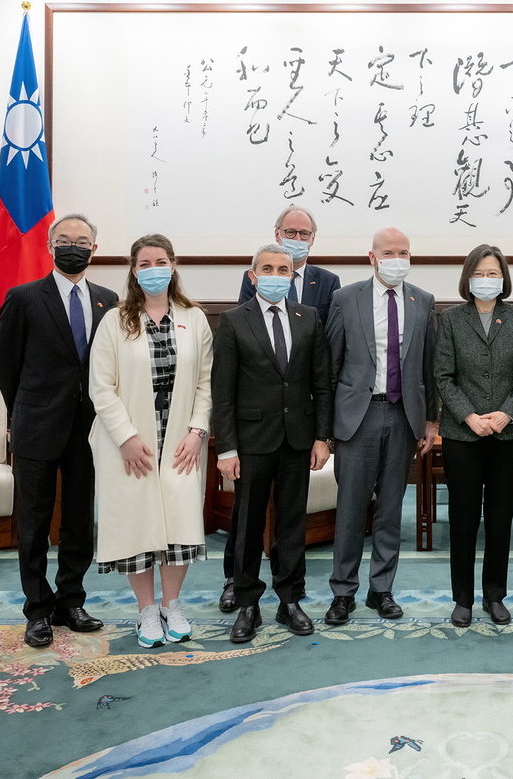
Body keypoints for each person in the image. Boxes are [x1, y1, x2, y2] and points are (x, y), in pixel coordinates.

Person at [0, 213, 119, 648]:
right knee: (34, 522)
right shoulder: (24, 298)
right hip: (36, 424)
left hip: (89, 428)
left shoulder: (108, 300)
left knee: (80, 521)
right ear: (50, 246)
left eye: (82, 242)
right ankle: (37, 610)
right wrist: (20, 414)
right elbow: (6, 366)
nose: (73, 247)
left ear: (94, 249)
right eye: (64, 240)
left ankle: (71, 601)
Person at [88, 234, 213, 649]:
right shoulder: (115, 320)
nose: (154, 269)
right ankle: (146, 610)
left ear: (173, 265)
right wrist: (125, 437)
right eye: (145, 263)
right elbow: (101, 387)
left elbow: (206, 383)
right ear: (134, 270)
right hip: (130, 439)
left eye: (161, 261)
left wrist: (197, 431)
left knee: (179, 522)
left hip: (181, 438)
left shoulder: (194, 318)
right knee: (135, 522)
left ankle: (172, 605)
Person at [220, 204, 339, 613]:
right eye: (267, 269)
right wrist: (226, 447)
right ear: (253, 277)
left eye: (283, 270)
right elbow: (224, 390)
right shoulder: (234, 320)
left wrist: (323, 437)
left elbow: (321, 383)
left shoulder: (310, 317)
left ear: (293, 276)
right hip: (252, 437)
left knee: (292, 522)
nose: (275, 276)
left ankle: (290, 599)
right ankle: (246, 600)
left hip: (298, 437)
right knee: (248, 522)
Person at [324, 227, 438, 625]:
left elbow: (429, 366)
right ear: (372, 257)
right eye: (389, 252)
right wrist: (325, 429)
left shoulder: (423, 301)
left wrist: (431, 420)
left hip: (404, 416)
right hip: (358, 416)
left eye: (403, 252)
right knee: (351, 510)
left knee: (390, 509)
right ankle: (343, 592)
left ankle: (381, 589)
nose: (397, 259)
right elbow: (330, 366)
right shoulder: (345, 298)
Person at [434, 245, 513, 627]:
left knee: (499, 518)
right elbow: (443, 375)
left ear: (503, 278)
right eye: (479, 273)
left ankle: (495, 595)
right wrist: (469, 416)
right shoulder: (451, 318)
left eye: (493, 273)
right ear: (468, 277)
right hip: (462, 435)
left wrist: (507, 413)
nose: (486, 280)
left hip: (507, 434)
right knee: (462, 519)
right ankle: (462, 598)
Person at [234, 204, 341, 323]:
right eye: (290, 232)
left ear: (312, 239)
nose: (297, 239)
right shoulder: (257, 277)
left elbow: (331, 327)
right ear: (277, 235)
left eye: (304, 233)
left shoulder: (328, 281)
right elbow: (244, 321)